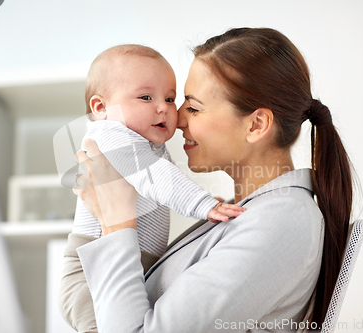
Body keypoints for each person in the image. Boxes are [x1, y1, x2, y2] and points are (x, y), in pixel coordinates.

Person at [62, 27, 354, 332]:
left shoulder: (281, 220)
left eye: (193, 106)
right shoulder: (251, 213)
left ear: (256, 125)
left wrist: (116, 223)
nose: (178, 121)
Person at [60, 44, 245, 332]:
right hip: (89, 273)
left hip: (131, 262)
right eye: (146, 97)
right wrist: (203, 203)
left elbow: (155, 193)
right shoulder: (109, 135)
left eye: (170, 98)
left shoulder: (145, 144)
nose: (164, 107)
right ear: (101, 108)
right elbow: (156, 178)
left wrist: (202, 211)